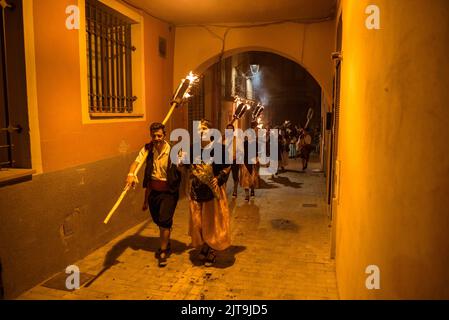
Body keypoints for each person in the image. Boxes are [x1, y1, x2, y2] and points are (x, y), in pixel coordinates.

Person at [126, 122, 181, 267]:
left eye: (159, 135)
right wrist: (131, 174)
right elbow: (135, 163)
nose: (156, 138)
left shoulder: (174, 150)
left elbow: (183, 164)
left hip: (169, 192)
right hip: (153, 191)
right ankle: (166, 236)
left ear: (165, 135)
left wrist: (181, 162)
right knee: (158, 220)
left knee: (164, 220)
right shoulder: (147, 149)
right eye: (154, 135)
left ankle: (163, 250)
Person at [187, 119, 231, 267]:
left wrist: (219, 178)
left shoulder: (220, 149)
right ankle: (205, 244)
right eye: (199, 129)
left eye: (204, 129)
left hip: (213, 192)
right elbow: (188, 166)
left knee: (212, 223)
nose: (201, 132)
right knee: (198, 222)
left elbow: (227, 166)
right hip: (197, 191)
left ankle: (212, 249)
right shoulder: (193, 148)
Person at [240, 121, 260, 201]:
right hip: (245, 162)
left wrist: (257, 160)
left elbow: (257, 153)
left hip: (253, 163)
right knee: (245, 180)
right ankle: (247, 195)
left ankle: (252, 190)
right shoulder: (244, 143)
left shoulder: (255, 143)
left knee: (253, 179)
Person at [226, 124, 240, 198]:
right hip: (226, 161)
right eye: (228, 129)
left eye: (231, 129)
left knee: (235, 177)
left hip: (235, 161)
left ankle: (235, 191)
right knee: (224, 177)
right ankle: (223, 191)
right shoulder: (224, 140)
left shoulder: (237, 140)